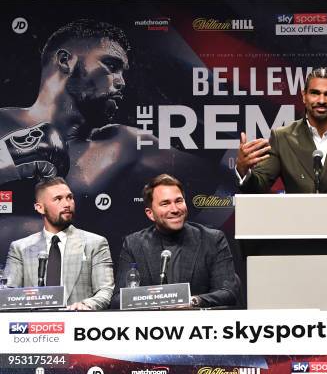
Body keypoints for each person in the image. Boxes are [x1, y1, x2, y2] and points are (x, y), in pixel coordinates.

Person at [0, 19, 228, 254]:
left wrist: (243, 167)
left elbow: (216, 178)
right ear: (65, 61)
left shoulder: (121, 145)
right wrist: (5, 161)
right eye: (111, 65)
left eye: (123, 72)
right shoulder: (2, 123)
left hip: (79, 284)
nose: (121, 82)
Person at [111, 174, 239, 309]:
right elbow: (118, 299)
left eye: (178, 201)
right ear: (150, 213)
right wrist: (155, 302)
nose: (175, 209)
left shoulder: (212, 240)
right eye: (165, 203)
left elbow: (228, 292)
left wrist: (193, 301)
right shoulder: (134, 244)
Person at [5, 177, 114, 310]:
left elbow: (105, 291)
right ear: (40, 208)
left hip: (77, 324)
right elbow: (8, 295)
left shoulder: (95, 243)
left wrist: (86, 305)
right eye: (58, 199)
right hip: (34, 326)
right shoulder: (20, 248)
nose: (67, 204)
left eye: (69, 197)